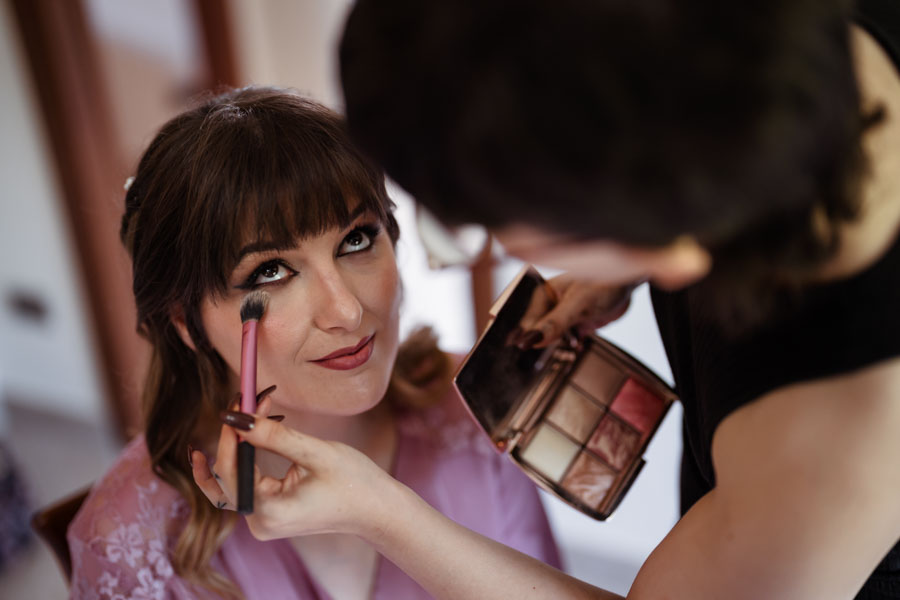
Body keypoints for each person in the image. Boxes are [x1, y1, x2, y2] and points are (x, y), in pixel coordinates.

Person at [193, 0, 900, 599]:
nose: (346, 312)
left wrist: (383, 514)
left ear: (666, 244)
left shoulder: (843, 443)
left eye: (358, 238)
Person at [67, 86, 559, 600]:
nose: (346, 311)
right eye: (271, 271)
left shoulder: (475, 409)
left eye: (356, 239)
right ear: (185, 322)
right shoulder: (124, 543)